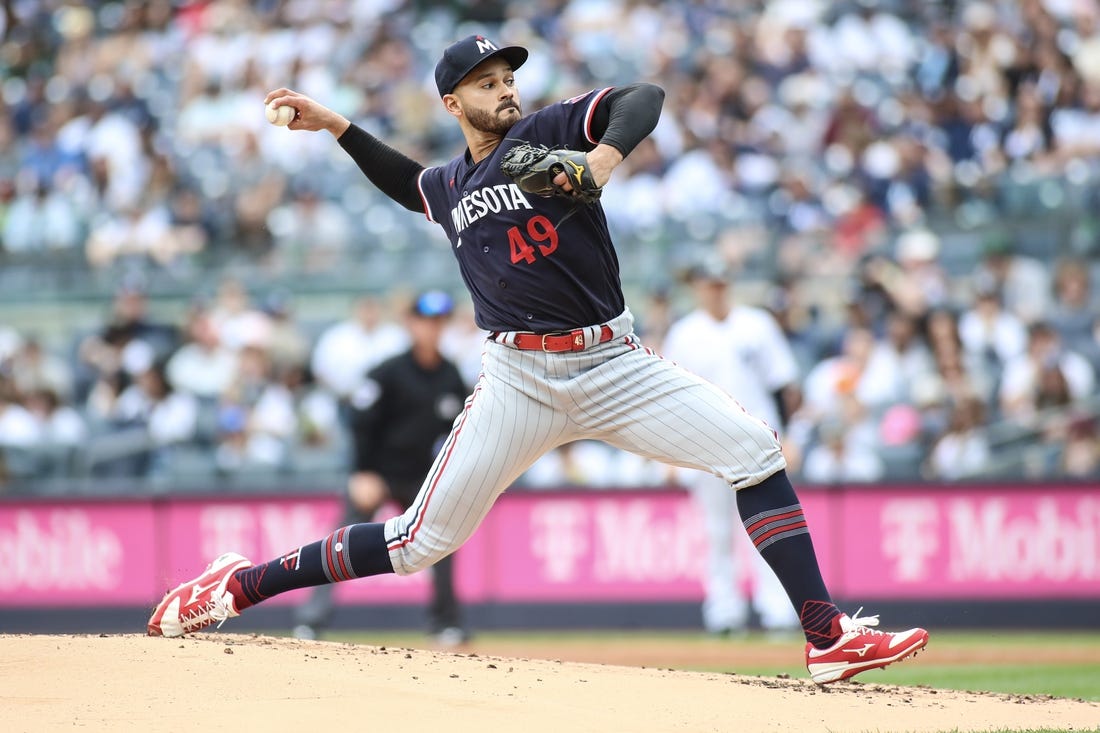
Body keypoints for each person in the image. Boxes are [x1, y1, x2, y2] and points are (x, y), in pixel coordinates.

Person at [147, 34, 928, 685]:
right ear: (453, 104)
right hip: (517, 379)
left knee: (756, 452)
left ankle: (825, 638)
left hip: (614, 365)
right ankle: (240, 584)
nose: (505, 89)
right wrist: (337, 125)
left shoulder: (546, 135)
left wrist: (602, 162)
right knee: (418, 543)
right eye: (485, 83)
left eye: (508, 76)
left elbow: (642, 97)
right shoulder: (451, 185)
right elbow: (404, 181)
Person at [293, 290, 471, 646]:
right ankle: (311, 621)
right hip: (377, 473)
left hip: (422, 477)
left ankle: (445, 623)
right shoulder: (388, 372)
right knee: (340, 545)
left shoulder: (450, 376)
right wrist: (361, 471)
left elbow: (461, 430)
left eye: (439, 322)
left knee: (444, 541)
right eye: (425, 321)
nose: (432, 329)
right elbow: (360, 423)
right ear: (410, 324)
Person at [661, 259, 801, 635]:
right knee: (716, 530)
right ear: (697, 287)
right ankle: (724, 612)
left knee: (767, 527)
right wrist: (671, 452)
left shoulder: (757, 325)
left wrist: (790, 435)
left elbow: (783, 386)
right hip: (705, 444)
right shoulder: (685, 333)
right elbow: (669, 398)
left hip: (758, 442)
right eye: (708, 284)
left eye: (720, 283)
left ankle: (776, 612)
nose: (715, 289)